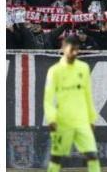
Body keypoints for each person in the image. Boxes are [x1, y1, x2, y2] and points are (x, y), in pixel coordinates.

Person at [43, 36, 101, 172]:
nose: (74, 53)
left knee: (93, 156)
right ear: (63, 49)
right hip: (63, 122)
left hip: (82, 121)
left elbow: (88, 95)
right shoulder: (55, 70)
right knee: (56, 159)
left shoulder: (84, 68)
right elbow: (48, 98)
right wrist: (51, 118)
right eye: (71, 50)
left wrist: (92, 118)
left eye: (77, 50)